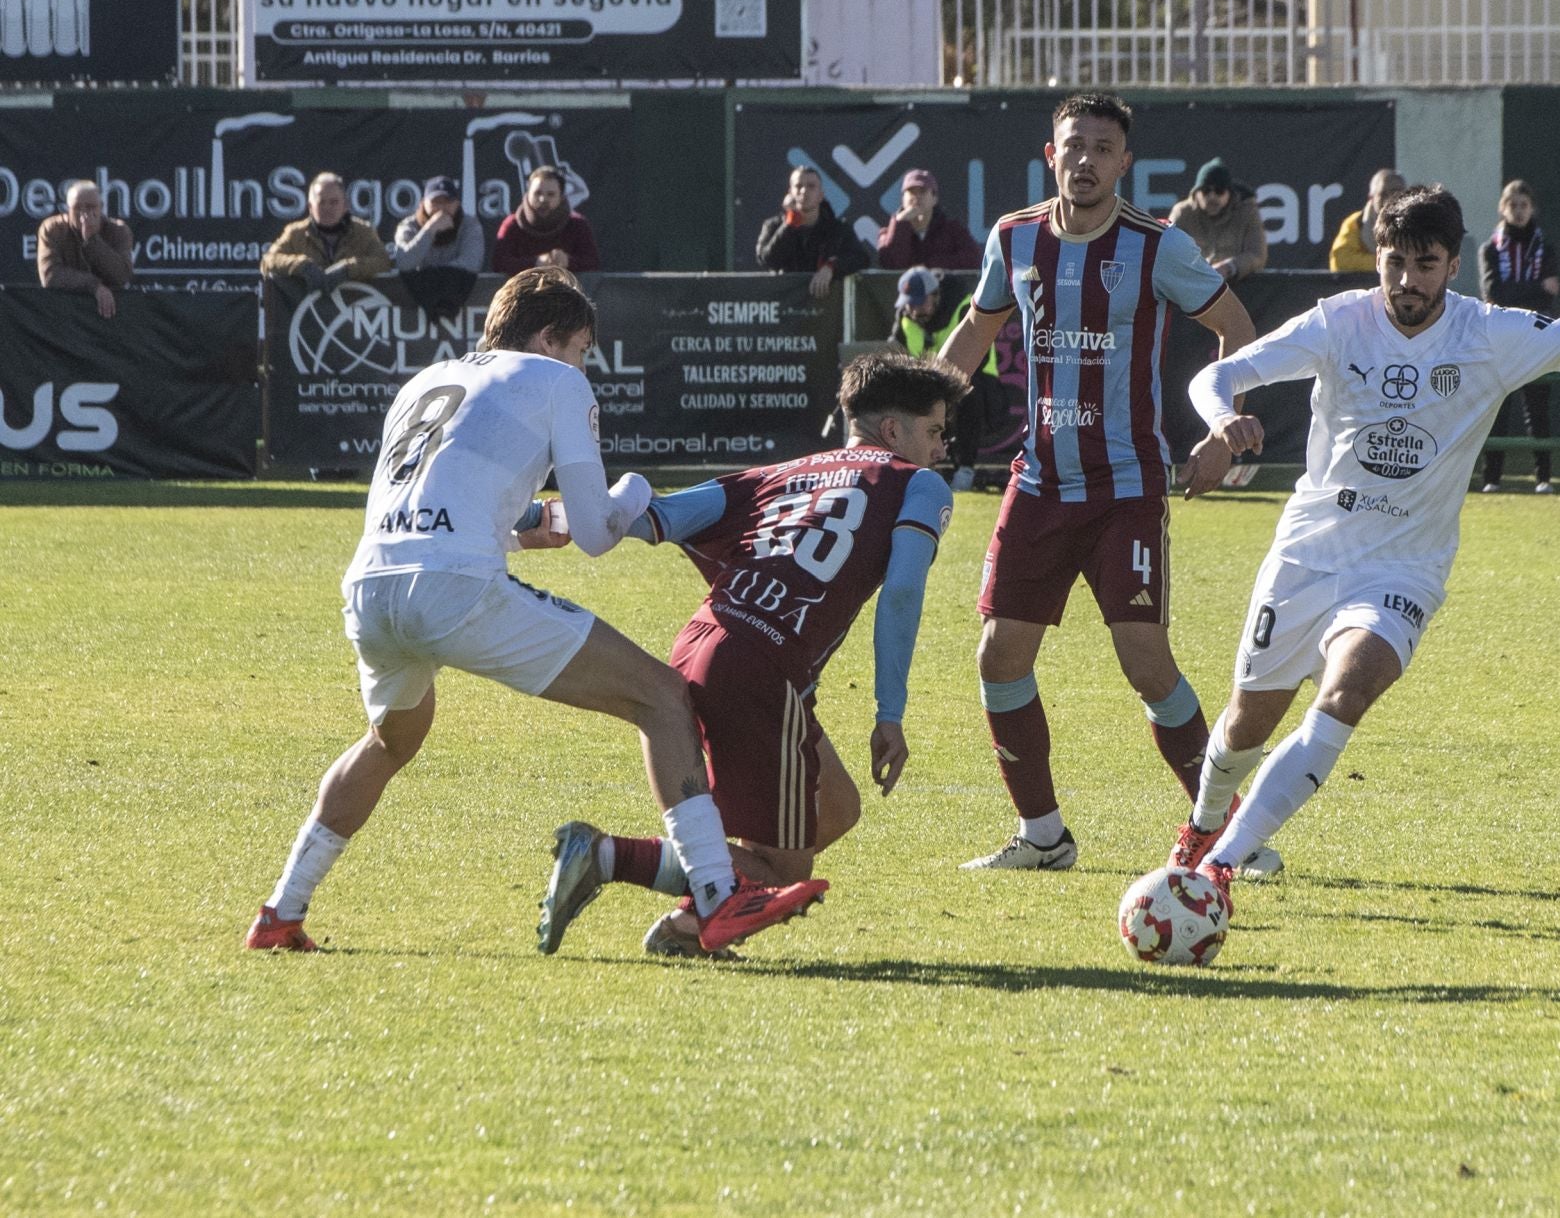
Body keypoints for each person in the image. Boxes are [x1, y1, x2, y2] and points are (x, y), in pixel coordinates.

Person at [243, 268, 826, 956]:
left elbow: (448, 490)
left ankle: (281, 912)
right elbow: (597, 535)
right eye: (580, 347)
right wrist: (634, 491)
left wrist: (522, 524)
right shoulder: (557, 381)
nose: (584, 365)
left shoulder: (423, 382)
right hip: (452, 587)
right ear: (549, 337)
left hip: (370, 585)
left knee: (389, 740)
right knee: (663, 698)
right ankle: (717, 895)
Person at [1171, 187, 1560, 921]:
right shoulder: (1339, 322)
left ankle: (1222, 867)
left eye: (1425, 264)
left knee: (1347, 690)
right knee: (1245, 723)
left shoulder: (1487, 333)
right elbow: (1218, 376)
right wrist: (1223, 416)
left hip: (1404, 569)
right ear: (1380, 261)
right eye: (1395, 263)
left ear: (1452, 266)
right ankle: (1203, 825)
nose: (1407, 281)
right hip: (1308, 553)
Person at [537, 351, 964, 958]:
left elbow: (651, 516)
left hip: (702, 640)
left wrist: (533, 516)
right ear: (893, 431)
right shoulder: (918, 483)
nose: (941, 447)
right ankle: (606, 857)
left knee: (836, 806)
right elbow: (901, 592)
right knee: (785, 868)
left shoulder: (779, 471)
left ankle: (688, 925)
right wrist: (889, 711)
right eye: (934, 431)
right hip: (761, 666)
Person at [934, 91, 1257, 871]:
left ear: (1125, 163)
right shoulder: (1012, 238)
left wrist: (1223, 432)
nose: (1085, 160)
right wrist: (912, 420)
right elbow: (976, 333)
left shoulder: (1159, 246)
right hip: (1039, 485)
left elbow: (1239, 332)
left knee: (1147, 663)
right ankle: (1043, 836)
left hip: (1125, 490)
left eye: (1102, 148)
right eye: (1073, 145)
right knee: (998, 659)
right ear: (1051, 155)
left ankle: (1234, 835)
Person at [1475, 179, 1560, 493]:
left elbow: (1549, 299)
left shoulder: (1545, 247)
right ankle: (1492, 479)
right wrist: (1536, 287)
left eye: (1524, 205)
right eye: (1513, 205)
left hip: (1537, 338)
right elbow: (1493, 292)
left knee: (1538, 410)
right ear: (1503, 208)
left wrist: (1525, 295)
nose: (1519, 211)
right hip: (1500, 339)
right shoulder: (1491, 249)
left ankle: (1544, 478)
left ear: (1532, 208)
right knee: (1497, 408)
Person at [891, 266, 998, 491]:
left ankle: (965, 469)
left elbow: (976, 357)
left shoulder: (963, 306)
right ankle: (914, 467)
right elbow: (894, 352)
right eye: (909, 303)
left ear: (935, 296)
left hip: (979, 385)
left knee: (967, 391)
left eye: (919, 302)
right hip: (929, 386)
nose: (913, 309)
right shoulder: (905, 317)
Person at [260, 172, 392, 292]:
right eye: (321, 202)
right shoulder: (295, 233)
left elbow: (383, 262)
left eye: (334, 202)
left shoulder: (363, 232)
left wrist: (347, 269)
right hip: (307, 314)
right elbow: (268, 261)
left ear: (345, 205)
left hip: (351, 311)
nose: (327, 208)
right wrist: (303, 266)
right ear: (310, 207)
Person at [756, 166, 871, 299]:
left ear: (821, 195)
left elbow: (861, 258)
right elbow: (767, 260)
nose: (804, 191)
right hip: (787, 304)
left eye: (811, 186)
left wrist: (831, 267)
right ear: (790, 193)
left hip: (827, 304)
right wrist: (790, 223)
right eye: (798, 186)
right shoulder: (773, 226)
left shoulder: (838, 229)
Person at [37, 181, 134, 320]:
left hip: (107, 315)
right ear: (68, 209)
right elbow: (50, 275)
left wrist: (92, 239)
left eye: (90, 207)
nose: (84, 213)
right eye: (77, 208)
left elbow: (121, 276)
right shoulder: (52, 229)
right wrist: (95, 286)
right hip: (63, 314)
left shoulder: (119, 231)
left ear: (101, 207)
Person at [393, 175, 485, 320]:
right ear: (423, 203)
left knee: (458, 275)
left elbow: (471, 263)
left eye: (448, 201)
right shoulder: (409, 226)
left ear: (457, 204)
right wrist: (430, 229)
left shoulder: (469, 225)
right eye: (436, 202)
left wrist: (435, 273)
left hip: (458, 297)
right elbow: (404, 262)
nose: (442, 208)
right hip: (419, 302)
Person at [1168, 157, 1267, 284]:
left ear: (1229, 193)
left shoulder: (1247, 212)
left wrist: (1228, 267)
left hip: (1236, 287)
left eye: (1219, 191)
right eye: (1206, 191)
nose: (1212, 196)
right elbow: (1168, 252)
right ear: (1196, 192)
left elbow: (1257, 255)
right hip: (1191, 287)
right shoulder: (1182, 212)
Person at [492, 166, 601, 276]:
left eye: (551, 194)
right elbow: (499, 263)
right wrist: (536, 263)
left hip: (565, 291)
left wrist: (567, 261)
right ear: (528, 194)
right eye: (537, 193)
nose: (543, 199)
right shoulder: (512, 224)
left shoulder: (577, 225)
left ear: (561, 197)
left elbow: (593, 263)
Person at [874, 168, 983, 273]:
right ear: (902, 199)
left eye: (922, 191)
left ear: (934, 198)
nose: (916, 197)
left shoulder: (953, 230)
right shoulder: (887, 234)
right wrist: (900, 223)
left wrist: (927, 266)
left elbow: (974, 260)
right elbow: (891, 265)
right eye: (911, 192)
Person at [1328, 169, 1405, 274]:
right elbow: (1340, 260)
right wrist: (1386, 261)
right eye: (1383, 194)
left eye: (1397, 192)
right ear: (1371, 198)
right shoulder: (1356, 222)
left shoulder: (1418, 221)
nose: (1390, 199)